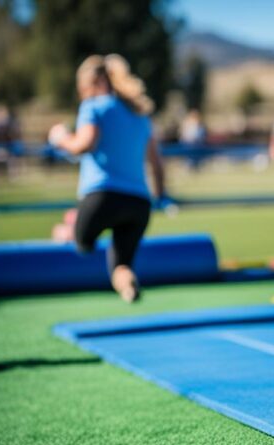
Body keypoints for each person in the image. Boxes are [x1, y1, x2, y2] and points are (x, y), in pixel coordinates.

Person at [48, 54, 166, 303]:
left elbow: (83, 145)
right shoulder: (139, 115)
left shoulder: (94, 107)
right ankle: (128, 286)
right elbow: (156, 163)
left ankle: (70, 227)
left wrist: (60, 138)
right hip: (138, 203)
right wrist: (160, 195)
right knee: (120, 265)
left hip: (102, 198)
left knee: (81, 242)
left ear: (93, 84)